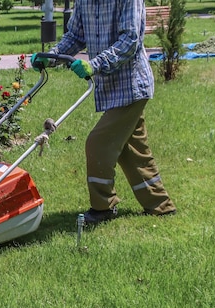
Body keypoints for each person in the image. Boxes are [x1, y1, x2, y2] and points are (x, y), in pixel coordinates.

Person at [31, 0, 176, 225]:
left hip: (132, 86)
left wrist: (95, 64)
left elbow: (130, 40)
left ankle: (103, 207)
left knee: (98, 143)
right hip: (111, 88)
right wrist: (51, 56)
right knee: (133, 151)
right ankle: (160, 206)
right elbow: (75, 36)